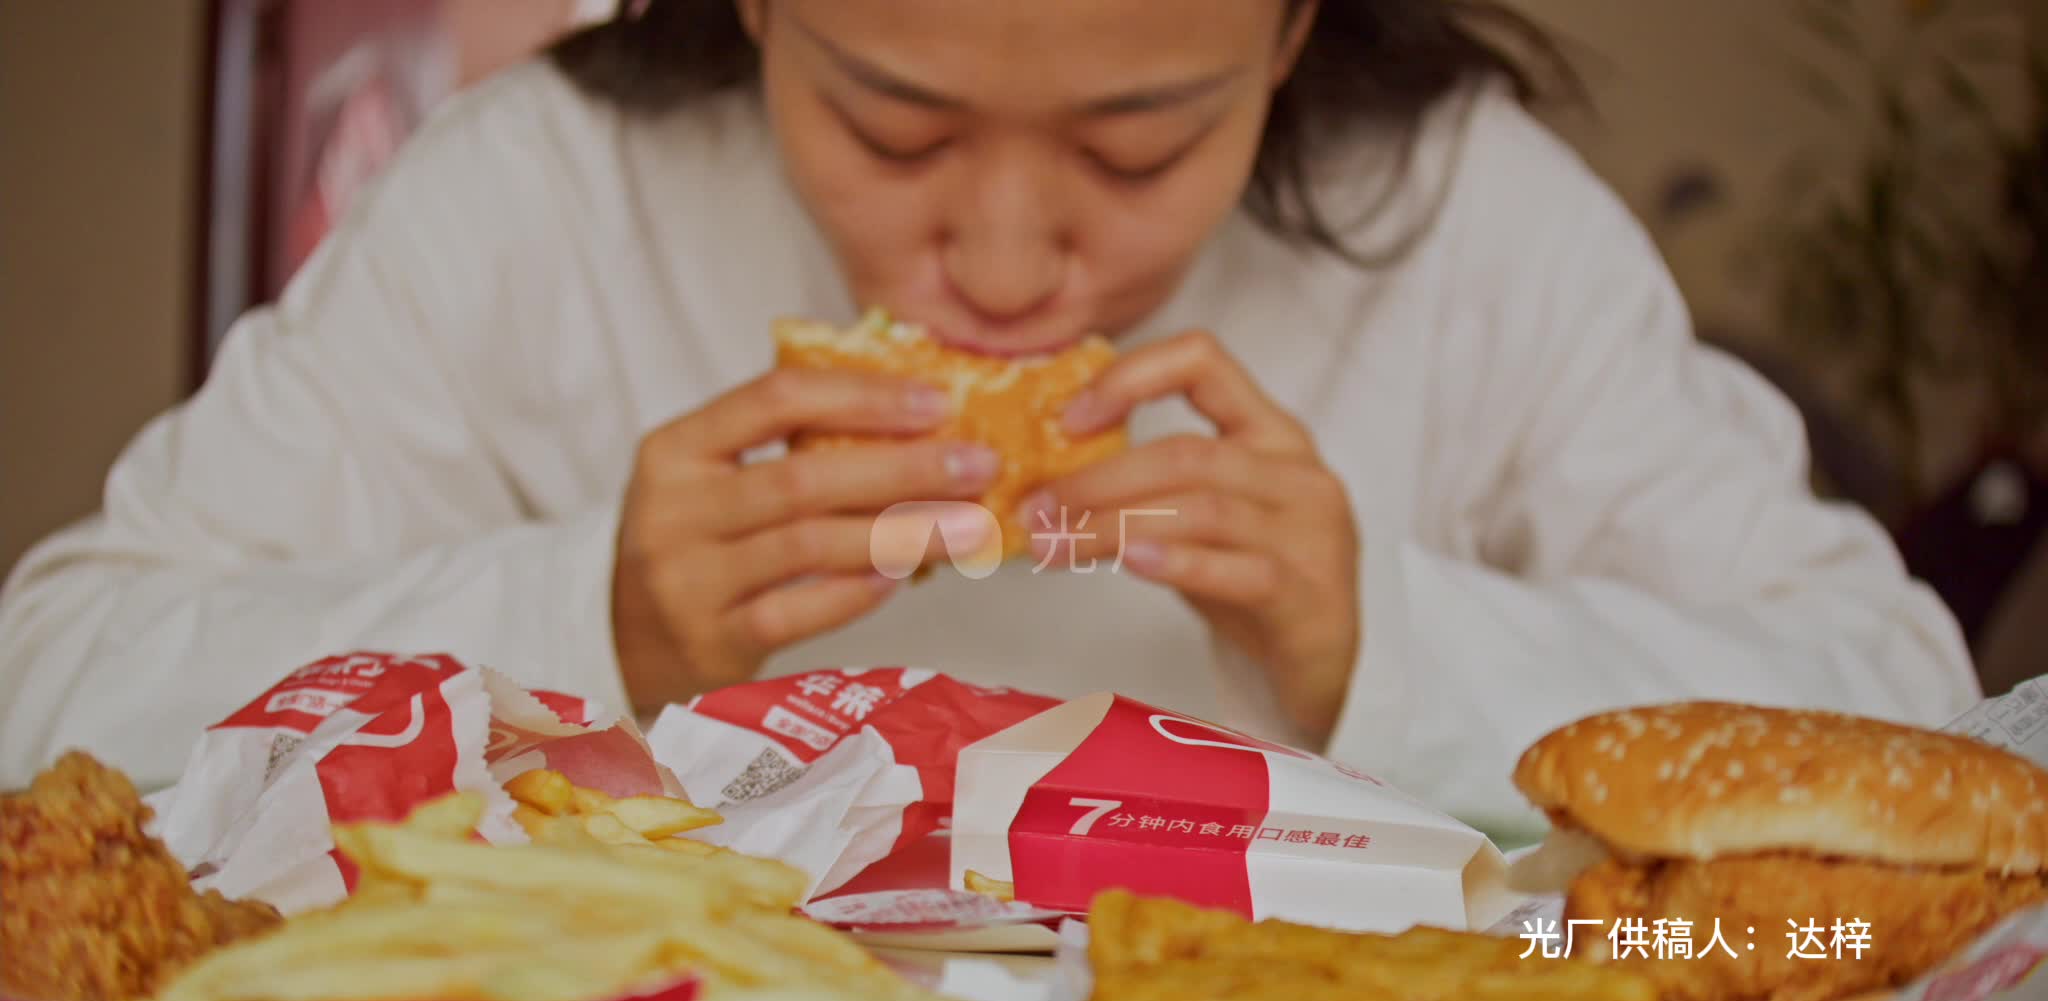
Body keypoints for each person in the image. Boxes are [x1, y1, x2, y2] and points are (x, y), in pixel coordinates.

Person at [0, 0, 1980, 841]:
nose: (1013, 263)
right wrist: (568, 625)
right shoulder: (536, 200)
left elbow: (1909, 722)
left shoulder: (1465, 223)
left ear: (1288, 38)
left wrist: (1393, 635)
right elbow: (49, 685)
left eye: (1143, 141)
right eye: (892, 126)